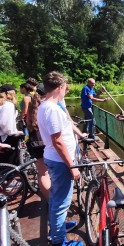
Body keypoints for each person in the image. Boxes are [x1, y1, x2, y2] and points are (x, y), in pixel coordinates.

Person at [37, 72, 83, 246]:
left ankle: (59, 227)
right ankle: (59, 241)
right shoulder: (53, 109)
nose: (66, 91)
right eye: (65, 88)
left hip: (54, 159)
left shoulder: (44, 106)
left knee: (57, 198)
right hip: (60, 162)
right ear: (59, 88)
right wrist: (72, 166)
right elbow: (58, 141)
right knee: (62, 202)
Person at [0, 84, 23, 164]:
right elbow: (4, 123)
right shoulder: (8, 105)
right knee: (8, 164)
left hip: (2, 136)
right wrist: (12, 132)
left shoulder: (2, 104)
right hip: (6, 137)